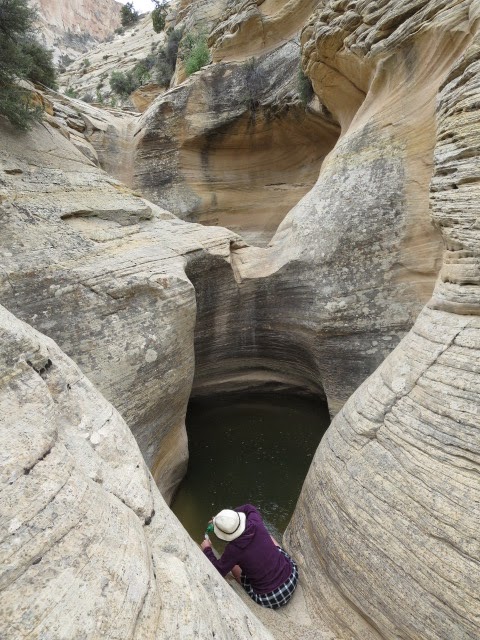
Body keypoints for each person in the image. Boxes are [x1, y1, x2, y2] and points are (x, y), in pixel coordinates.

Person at [200, 503, 298, 609]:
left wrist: (207, 549)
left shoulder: (233, 550)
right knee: (269, 537)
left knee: (233, 565)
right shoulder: (256, 522)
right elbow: (249, 507)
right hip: (291, 578)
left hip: (269, 598)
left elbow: (219, 569)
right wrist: (228, 519)